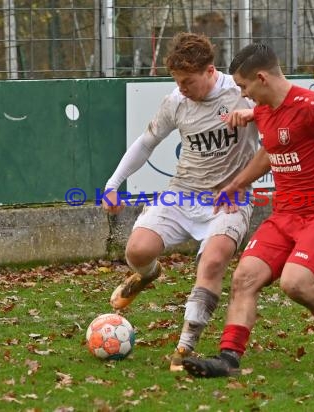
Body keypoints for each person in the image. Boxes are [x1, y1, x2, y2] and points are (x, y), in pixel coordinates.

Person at [182, 43, 314, 378]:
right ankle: (228, 359)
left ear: (261, 78)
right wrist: (237, 184)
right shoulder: (263, 111)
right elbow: (269, 153)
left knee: (295, 282)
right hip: (284, 215)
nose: (243, 96)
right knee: (244, 277)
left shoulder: (312, 105)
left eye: (244, 87)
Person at [101, 32, 260, 371]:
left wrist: (255, 116)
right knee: (137, 251)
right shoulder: (176, 101)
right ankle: (147, 275)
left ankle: (186, 347)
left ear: (210, 71)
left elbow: (285, 113)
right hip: (182, 192)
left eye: (188, 81)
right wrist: (113, 184)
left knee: (213, 261)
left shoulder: (242, 93)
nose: (182, 88)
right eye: (178, 81)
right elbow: (146, 143)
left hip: (229, 198)